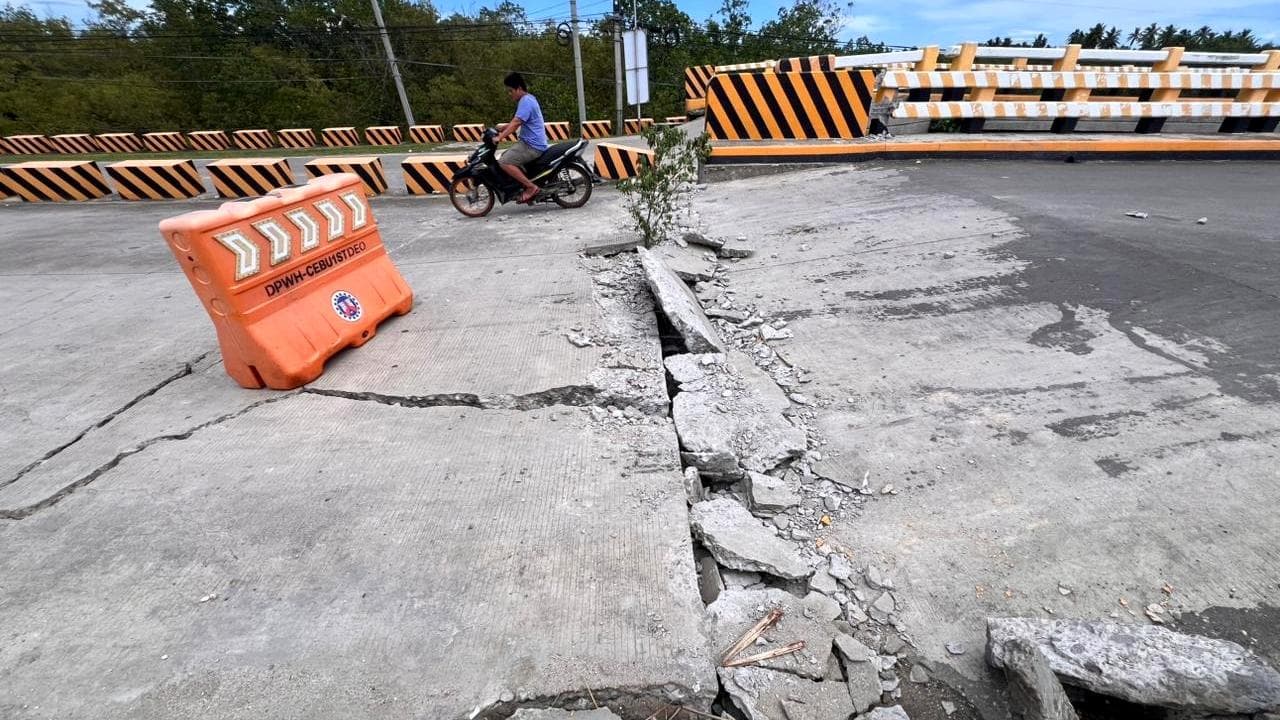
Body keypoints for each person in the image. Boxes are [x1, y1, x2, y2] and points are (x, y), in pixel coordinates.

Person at [493, 72, 548, 204]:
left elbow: (516, 123)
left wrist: (499, 137)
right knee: (506, 155)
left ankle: (531, 187)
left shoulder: (525, 102)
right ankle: (523, 185)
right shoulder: (529, 99)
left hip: (532, 145)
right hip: (530, 143)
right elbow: (519, 121)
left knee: (504, 162)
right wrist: (503, 127)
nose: (509, 94)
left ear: (519, 88)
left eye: (510, 90)